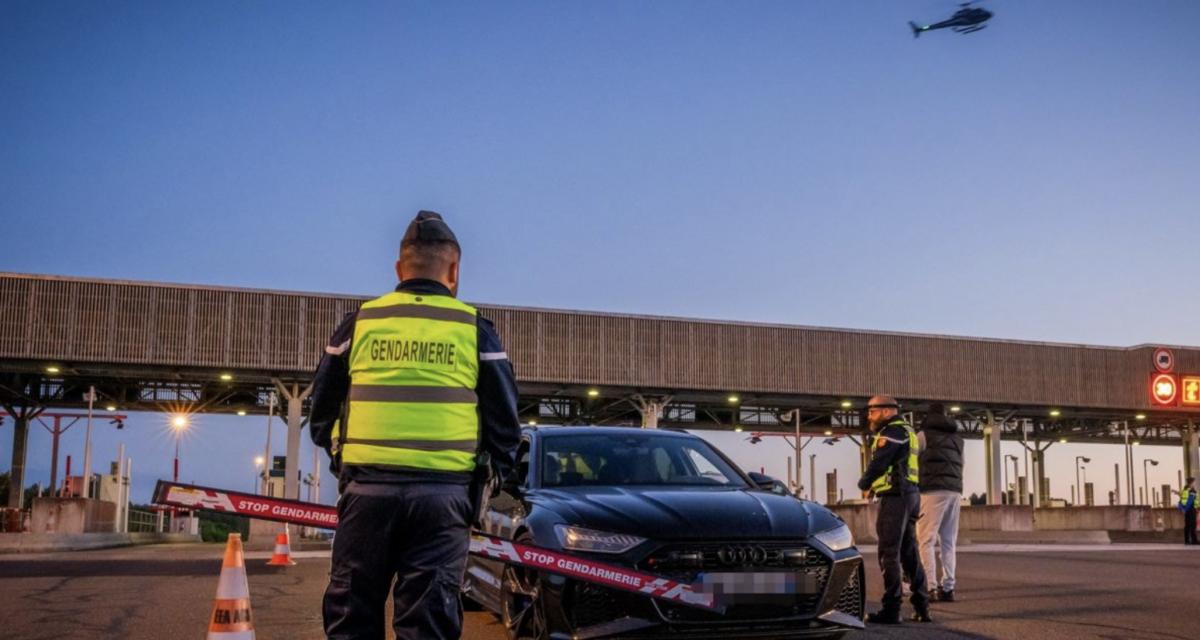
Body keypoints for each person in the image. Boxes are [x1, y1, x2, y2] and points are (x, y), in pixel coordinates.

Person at [309, 210, 522, 640]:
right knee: (429, 617)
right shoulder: (473, 329)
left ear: (398, 269)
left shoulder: (362, 323)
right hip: (443, 498)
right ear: (455, 270)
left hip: (366, 492)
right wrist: (502, 474)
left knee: (352, 610)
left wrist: (340, 457)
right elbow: (504, 420)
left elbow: (321, 408)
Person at [857, 394, 931, 625]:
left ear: (888, 411)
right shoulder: (907, 431)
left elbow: (880, 462)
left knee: (888, 553)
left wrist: (864, 483)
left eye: (873, 411)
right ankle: (922, 606)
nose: (869, 415)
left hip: (896, 498)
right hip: (910, 496)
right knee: (909, 554)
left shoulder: (892, 432)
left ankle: (891, 610)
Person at [915, 402, 963, 602]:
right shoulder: (958, 439)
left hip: (931, 491)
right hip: (954, 492)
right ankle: (949, 588)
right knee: (949, 542)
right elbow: (962, 465)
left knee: (926, 540)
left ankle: (930, 586)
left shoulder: (922, 436)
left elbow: (912, 461)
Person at [1179, 476, 1197, 546]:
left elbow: (1181, 500)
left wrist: (1182, 509)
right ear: (1191, 483)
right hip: (1191, 509)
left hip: (1187, 510)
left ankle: (1187, 540)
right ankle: (1194, 540)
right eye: (1194, 482)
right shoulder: (1191, 490)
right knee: (1192, 525)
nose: (1194, 484)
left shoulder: (1185, 490)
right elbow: (1190, 501)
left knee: (1187, 525)